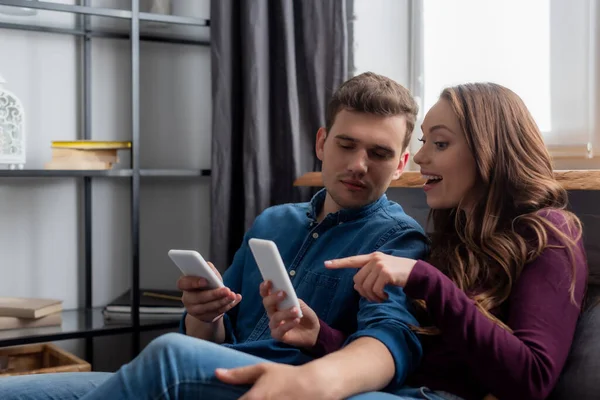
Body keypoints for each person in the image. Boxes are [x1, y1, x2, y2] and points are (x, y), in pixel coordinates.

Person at [0, 72, 431, 400]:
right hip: (213, 371)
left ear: (401, 163)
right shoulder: (273, 222)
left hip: (271, 383)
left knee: (168, 352)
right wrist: (204, 315)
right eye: (346, 144)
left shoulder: (398, 241)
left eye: (378, 153)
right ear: (321, 143)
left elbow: (392, 340)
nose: (358, 164)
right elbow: (215, 335)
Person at [217, 82, 588, 400]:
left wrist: (426, 279)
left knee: (171, 355)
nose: (422, 157)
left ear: (487, 149)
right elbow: (411, 354)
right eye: (425, 141)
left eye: (440, 144)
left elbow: (533, 380)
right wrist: (321, 337)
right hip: (395, 391)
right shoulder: (455, 235)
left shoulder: (549, 232)